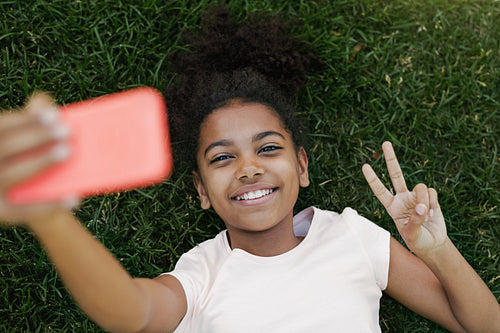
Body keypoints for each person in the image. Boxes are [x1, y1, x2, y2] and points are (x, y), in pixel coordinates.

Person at [0, 5, 498, 333]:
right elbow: (130, 312)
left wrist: (437, 250)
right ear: (200, 190)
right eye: (222, 157)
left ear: (301, 166)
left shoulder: (352, 237)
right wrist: (51, 218)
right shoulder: (203, 272)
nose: (248, 168)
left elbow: (481, 324)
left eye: (268, 148)